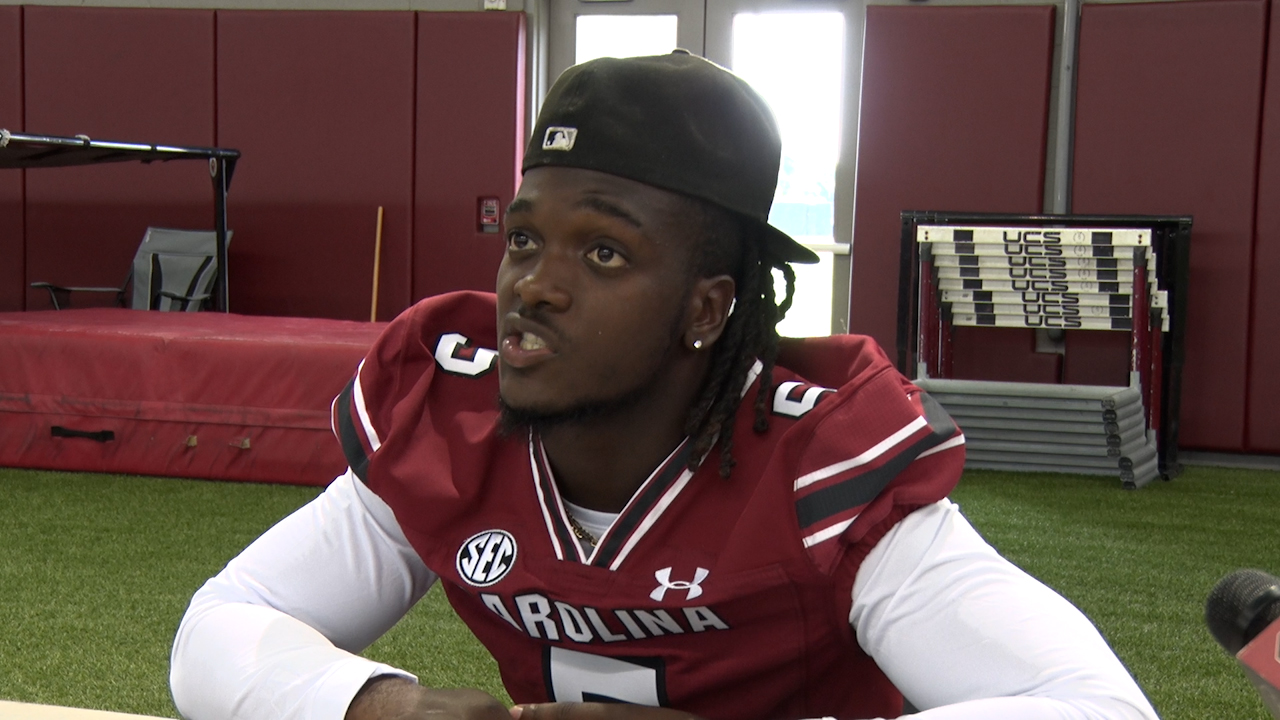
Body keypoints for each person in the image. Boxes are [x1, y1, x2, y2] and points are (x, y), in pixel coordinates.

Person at [169, 52, 1159, 720]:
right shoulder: (447, 421)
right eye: (522, 239)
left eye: (602, 252)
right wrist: (374, 704)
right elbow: (219, 627)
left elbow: (1095, 709)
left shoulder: (818, 470)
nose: (532, 287)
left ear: (706, 307)